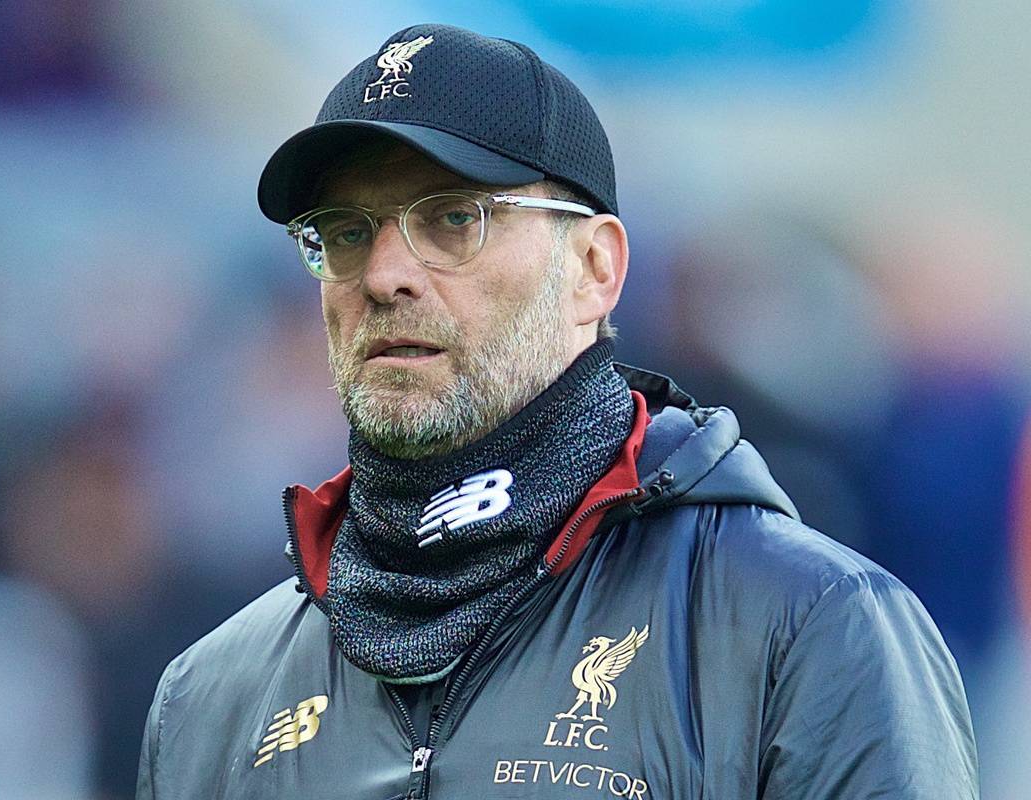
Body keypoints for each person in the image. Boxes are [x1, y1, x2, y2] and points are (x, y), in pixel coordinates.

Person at [135, 23, 979, 799]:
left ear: (594, 269)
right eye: (346, 231)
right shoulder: (210, 697)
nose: (384, 274)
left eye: (454, 217)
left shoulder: (805, 626)